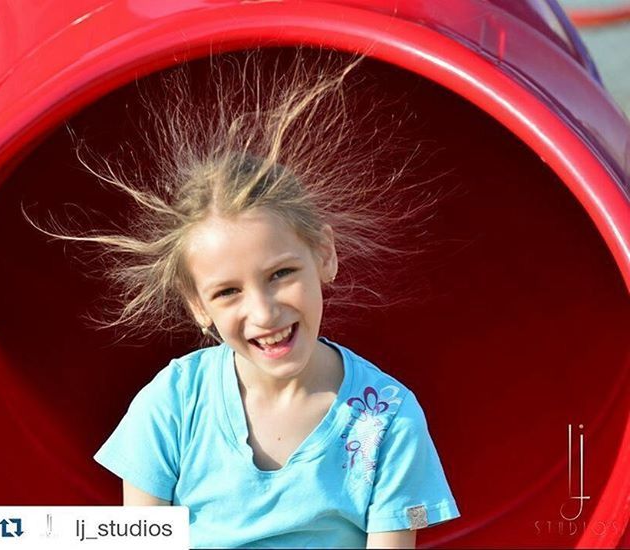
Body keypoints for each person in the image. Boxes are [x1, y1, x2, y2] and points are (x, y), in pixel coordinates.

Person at [42, 50, 461, 548]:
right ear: (197, 304)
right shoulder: (175, 403)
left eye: (281, 273)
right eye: (227, 292)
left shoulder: (385, 416)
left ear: (324, 254)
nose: (263, 312)